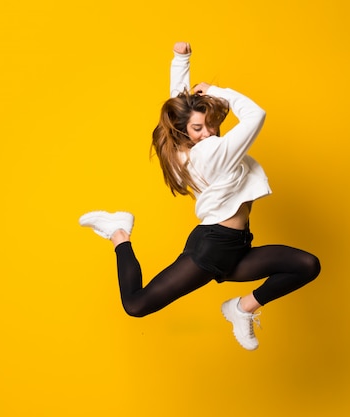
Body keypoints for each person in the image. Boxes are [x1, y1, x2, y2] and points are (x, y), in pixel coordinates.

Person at [79, 42, 320, 350]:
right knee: (136, 304)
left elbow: (180, 105)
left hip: (235, 246)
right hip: (213, 247)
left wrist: (182, 60)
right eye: (199, 128)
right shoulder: (212, 152)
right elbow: (255, 115)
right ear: (185, 130)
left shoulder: (182, 146)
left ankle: (241, 308)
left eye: (209, 124)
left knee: (306, 265)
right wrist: (219, 92)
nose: (207, 132)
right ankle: (118, 233)